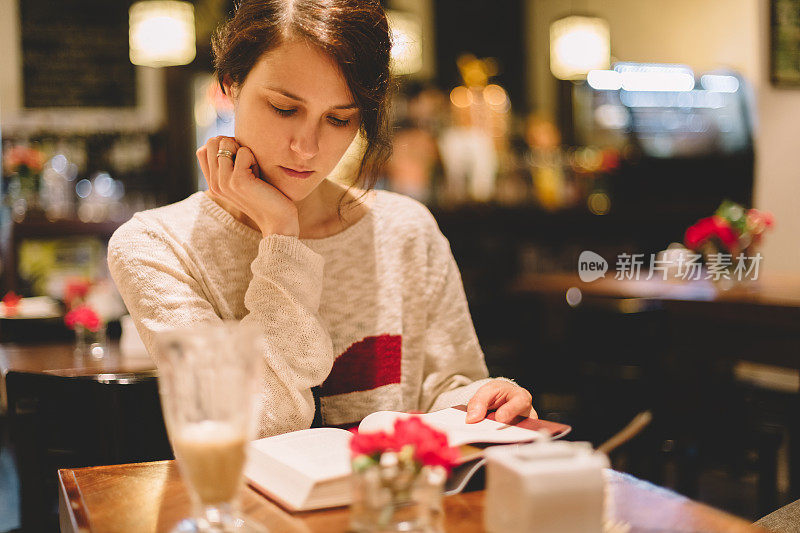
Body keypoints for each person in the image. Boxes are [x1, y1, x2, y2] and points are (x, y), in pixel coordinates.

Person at [107, 0, 535, 438]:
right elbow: (253, 426)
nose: (307, 148)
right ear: (230, 85)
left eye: (338, 118)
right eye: (284, 108)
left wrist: (486, 399)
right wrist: (282, 238)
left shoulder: (405, 229)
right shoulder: (156, 248)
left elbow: (443, 390)